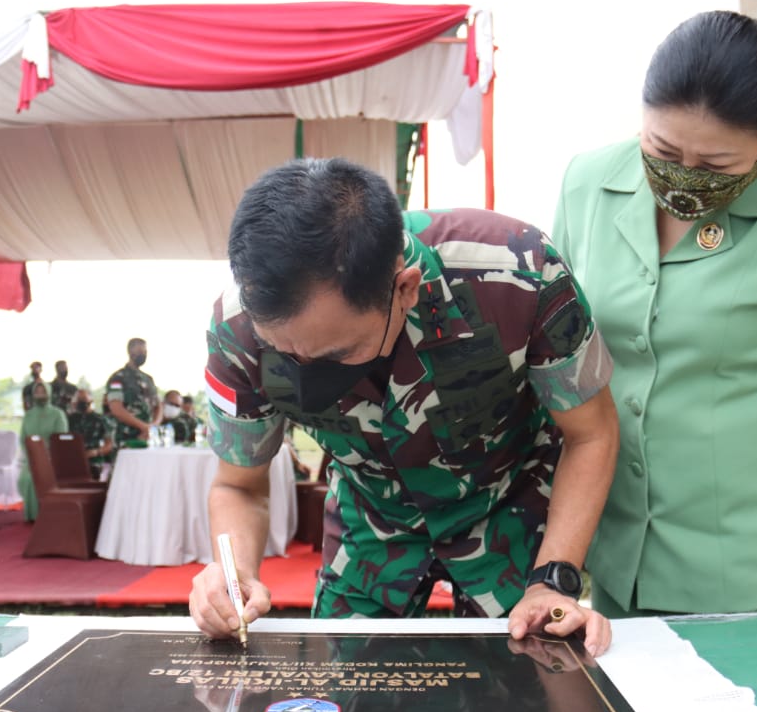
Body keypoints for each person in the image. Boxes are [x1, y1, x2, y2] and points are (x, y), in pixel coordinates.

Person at [191, 158, 619, 657]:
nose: (303, 368)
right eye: (283, 353)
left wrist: (553, 578)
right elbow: (237, 485)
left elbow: (591, 433)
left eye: (332, 354)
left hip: (511, 507)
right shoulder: (237, 330)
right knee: (341, 707)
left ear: (405, 289)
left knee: (526, 693)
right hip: (372, 523)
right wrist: (234, 570)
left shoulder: (520, 271)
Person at [551, 10, 757, 618]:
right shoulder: (586, 183)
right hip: (608, 570)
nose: (683, 178)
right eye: (662, 149)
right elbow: (557, 372)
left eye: (715, 167)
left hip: (753, 584)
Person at [18, 381, 69, 520]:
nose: (40, 395)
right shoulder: (28, 415)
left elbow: (60, 439)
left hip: (51, 458)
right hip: (31, 458)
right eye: (37, 392)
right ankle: (32, 515)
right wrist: (32, 455)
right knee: (26, 478)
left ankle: (46, 514)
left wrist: (45, 456)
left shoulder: (57, 414)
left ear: (49, 393)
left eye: (43, 392)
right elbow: (23, 439)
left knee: (40, 476)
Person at [103, 337, 160, 450]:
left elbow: (158, 405)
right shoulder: (118, 378)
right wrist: (143, 427)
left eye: (145, 352)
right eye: (139, 352)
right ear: (130, 352)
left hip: (148, 438)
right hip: (126, 438)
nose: (143, 355)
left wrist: (153, 426)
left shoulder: (148, 379)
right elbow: (116, 408)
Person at [68, 388, 114, 479]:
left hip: (94, 463)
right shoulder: (69, 420)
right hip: (72, 462)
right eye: (79, 400)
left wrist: (96, 452)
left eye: (84, 400)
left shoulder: (100, 420)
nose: (81, 403)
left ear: (91, 401)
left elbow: (109, 444)